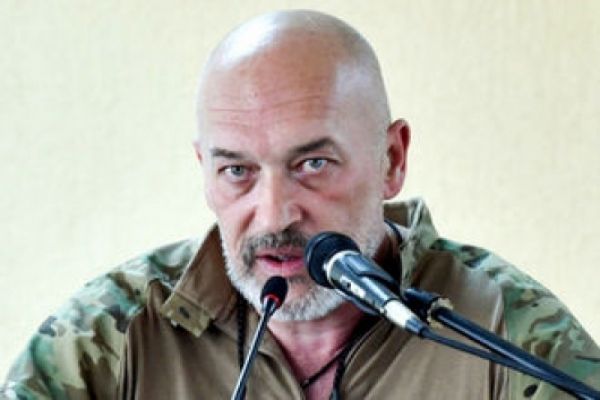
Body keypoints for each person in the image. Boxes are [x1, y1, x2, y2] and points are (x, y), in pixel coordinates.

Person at [2, 10, 599, 400]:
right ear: (205, 172)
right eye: (237, 171)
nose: (273, 215)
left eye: (313, 164)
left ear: (391, 160)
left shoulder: (506, 328)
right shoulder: (111, 335)